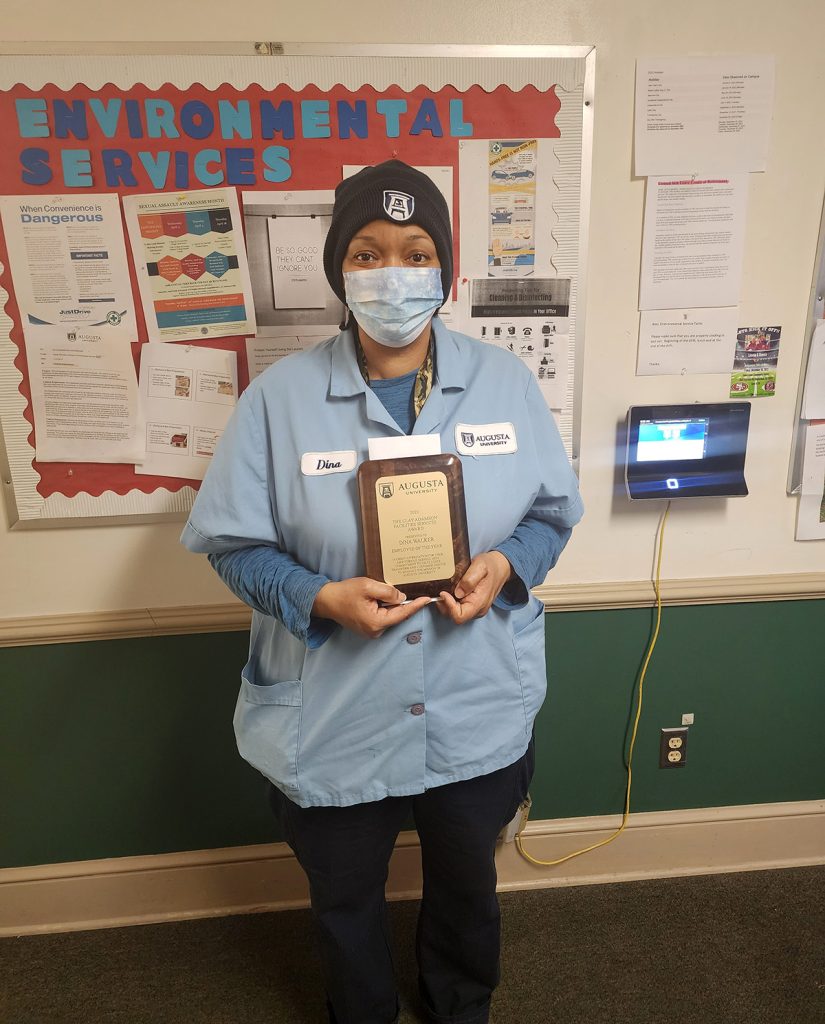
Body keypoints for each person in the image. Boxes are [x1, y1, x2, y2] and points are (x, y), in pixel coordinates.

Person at [181, 160, 583, 1024]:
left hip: (474, 702)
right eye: (365, 252)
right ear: (339, 270)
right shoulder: (276, 401)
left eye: (412, 250)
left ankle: (458, 1008)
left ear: (443, 269)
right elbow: (231, 545)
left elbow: (551, 517)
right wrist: (319, 598)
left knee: (469, 889)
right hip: (333, 714)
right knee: (344, 899)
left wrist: (506, 564)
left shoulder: (506, 385)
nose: (390, 272)